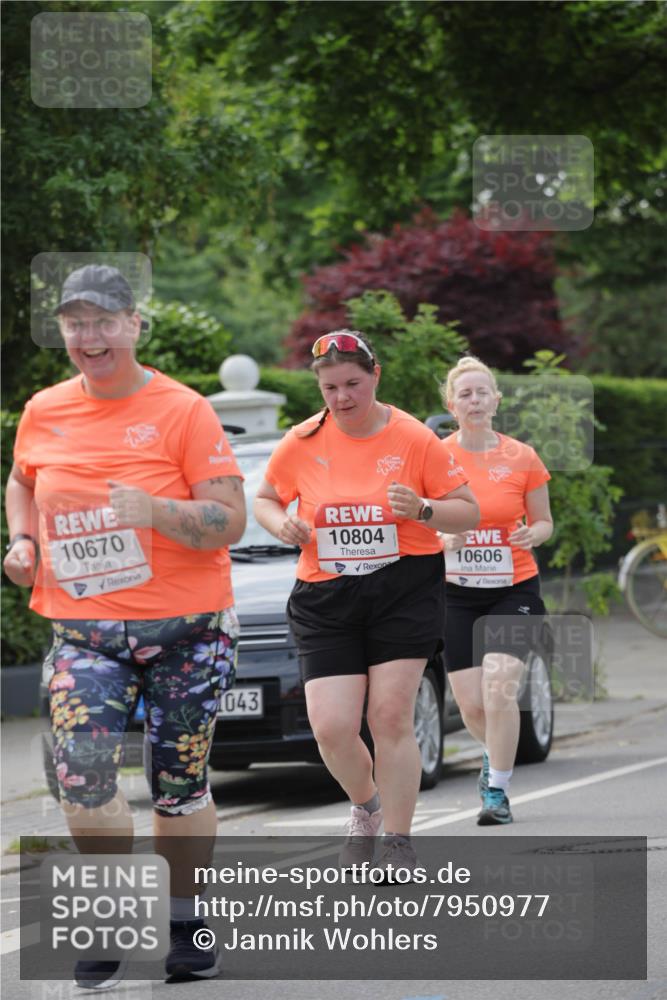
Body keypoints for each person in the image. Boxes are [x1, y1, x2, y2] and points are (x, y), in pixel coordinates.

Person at [3, 264, 246, 989]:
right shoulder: (44, 408)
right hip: (85, 632)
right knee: (81, 776)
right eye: (76, 324)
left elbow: (226, 520)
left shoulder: (182, 410)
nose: (89, 336)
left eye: (104, 321)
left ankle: (182, 920)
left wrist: (156, 511)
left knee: (177, 785)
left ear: (134, 325)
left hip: (188, 633)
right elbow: (22, 479)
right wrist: (24, 543)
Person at [253, 330, 479, 872]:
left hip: (402, 585)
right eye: (330, 387)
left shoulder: (413, 438)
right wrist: (281, 522)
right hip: (326, 593)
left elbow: (467, 511)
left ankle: (398, 840)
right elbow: (264, 497)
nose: (342, 397)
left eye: (353, 383)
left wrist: (423, 508)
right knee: (331, 726)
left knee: (389, 714)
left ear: (375, 376)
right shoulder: (303, 440)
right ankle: (366, 807)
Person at [440, 356, 553, 825]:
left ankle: (497, 793)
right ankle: (494, 757)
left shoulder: (522, 456)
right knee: (471, 704)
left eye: (482, 392)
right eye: (465, 394)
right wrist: (443, 537)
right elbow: (416, 523)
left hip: (514, 589)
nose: (474, 400)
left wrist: (534, 534)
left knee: (500, 687)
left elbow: (544, 520)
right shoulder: (436, 456)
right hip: (455, 592)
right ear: (452, 404)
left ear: (496, 400)